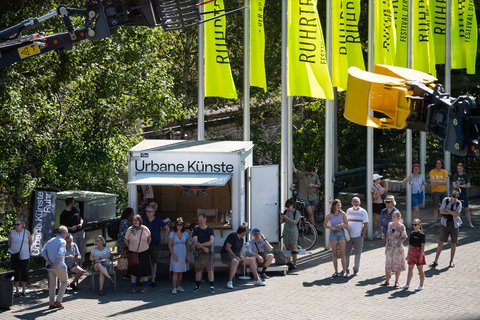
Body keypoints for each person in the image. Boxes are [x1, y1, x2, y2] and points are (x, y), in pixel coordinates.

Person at [430, 189, 462, 269]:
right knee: (440, 242)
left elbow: (457, 214)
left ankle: (451, 261)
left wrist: (447, 210)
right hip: (445, 224)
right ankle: (435, 261)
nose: (455, 193)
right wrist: (451, 212)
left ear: (458, 195)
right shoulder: (446, 200)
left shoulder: (459, 203)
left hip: (454, 225)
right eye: (454, 191)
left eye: (457, 192)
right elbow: (441, 211)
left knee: (453, 244)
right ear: (452, 192)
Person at [41, 225, 69, 310]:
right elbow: (60, 254)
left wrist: (49, 262)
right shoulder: (62, 241)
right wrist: (56, 264)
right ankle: (58, 301)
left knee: (52, 285)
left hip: (50, 266)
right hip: (59, 266)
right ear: (64, 233)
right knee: (65, 282)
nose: (67, 235)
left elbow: (43, 252)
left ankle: (51, 303)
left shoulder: (51, 240)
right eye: (66, 233)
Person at [124, 214, 152, 293]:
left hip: (144, 251)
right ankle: (133, 287)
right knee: (133, 271)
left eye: (137, 220)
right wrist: (130, 246)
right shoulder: (130, 229)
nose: (135, 222)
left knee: (145, 270)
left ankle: (145, 287)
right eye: (133, 220)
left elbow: (149, 238)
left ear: (140, 221)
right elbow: (126, 239)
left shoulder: (145, 229)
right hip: (133, 252)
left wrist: (147, 245)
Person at [143, 205, 167, 287]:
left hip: (155, 243)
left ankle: (153, 279)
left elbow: (166, 228)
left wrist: (162, 237)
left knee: (154, 261)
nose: (147, 213)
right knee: (145, 261)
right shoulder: (144, 220)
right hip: (144, 244)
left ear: (153, 212)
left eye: (149, 211)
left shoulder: (158, 220)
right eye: (146, 211)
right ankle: (145, 278)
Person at [191, 213, 215, 293]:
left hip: (209, 253)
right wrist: (203, 247)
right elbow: (195, 241)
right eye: (198, 220)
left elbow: (211, 241)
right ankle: (197, 286)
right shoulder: (196, 230)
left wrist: (201, 245)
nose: (200, 222)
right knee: (198, 270)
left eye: (201, 220)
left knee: (210, 269)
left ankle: (212, 286)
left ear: (205, 219)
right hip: (199, 253)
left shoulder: (210, 230)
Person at [382, 211, 407, 288]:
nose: (393, 218)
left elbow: (405, 236)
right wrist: (386, 244)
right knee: (388, 264)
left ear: (398, 217)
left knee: (397, 264)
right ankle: (387, 281)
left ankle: (396, 282)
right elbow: (387, 235)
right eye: (392, 216)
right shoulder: (390, 224)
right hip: (389, 247)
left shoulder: (401, 226)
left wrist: (400, 241)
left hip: (397, 248)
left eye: (394, 216)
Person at [8, 218, 32, 297]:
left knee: (24, 272)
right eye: (15, 224)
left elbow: (30, 242)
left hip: (25, 256)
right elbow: (9, 243)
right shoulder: (12, 232)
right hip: (15, 255)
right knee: (15, 272)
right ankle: (17, 290)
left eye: (17, 224)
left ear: (22, 225)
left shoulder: (27, 232)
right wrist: (14, 250)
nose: (16, 226)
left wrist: (25, 250)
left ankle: (24, 290)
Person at [324, 199, 348, 278]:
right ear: (334, 206)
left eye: (340, 205)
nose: (339, 206)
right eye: (337, 205)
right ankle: (336, 271)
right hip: (333, 234)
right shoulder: (330, 215)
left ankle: (344, 271)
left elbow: (347, 224)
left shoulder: (343, 214)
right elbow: (325, 225)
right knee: (334, 253)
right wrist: (331, 227)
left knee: (342, 253)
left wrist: (342, 225)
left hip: (341, 233)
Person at [345, 197, 368, 277]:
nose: (355, 203)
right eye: (354, 201)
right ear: (351, 202)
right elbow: (346, 221)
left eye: (357, 201)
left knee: (358, 253)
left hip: (358, 236)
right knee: (346, 252)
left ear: (360, 202)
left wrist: (362, 233)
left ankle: (356, 269)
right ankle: (346, 268)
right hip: (349, 235)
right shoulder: (348, 210)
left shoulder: (363, 212)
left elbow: (365, 224)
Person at [60, 197, 85, 265]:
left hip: (80, 232)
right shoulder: (63, 214)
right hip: (72, 234)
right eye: (73, 203)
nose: (74, 204)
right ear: (71, 203)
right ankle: (74, 265)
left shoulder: (76, 210)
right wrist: (70, 228)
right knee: (74, 250)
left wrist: (81, 223)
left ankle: (81, 264)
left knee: (82, 249)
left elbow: (81, 218)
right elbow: (61, 226)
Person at [402, 219, 426, 291]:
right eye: (413, 224)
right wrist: (408, 254)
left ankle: (421, 285)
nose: (414, 226)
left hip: (419, 253)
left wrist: (421, 256)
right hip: (412, 252)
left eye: (415, 224)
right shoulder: (411, 233)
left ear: (419, 225)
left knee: (420, 270)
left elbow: (423, 246)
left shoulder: (422, 235)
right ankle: (407, 284)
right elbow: (410, 245)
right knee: (410, 269)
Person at [168, 217, 190, 294]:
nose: (179, 226)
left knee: (181, 271)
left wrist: (187, 255)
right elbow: (170, 245)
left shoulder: (186, 233)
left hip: (183, 254)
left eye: (181, 224)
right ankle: (174, 288)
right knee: (175, 271)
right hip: (175, 253)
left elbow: (187, 245)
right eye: (178, 224)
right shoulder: (172, 233)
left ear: (183, 225)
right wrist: (173, 255)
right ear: (176, 225)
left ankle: (178, 286)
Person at [280, 199, 300, 270]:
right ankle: (289, 263)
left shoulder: (296, 212)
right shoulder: (286, 212)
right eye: (286, 207)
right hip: (286, 231)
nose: (287, 208)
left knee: (293, 248)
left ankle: (294, 264)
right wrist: (281, 218)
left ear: (292, 205)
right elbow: (281, 222)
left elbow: (295, 222)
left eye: (288, 206)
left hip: (293, 231)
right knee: (287, 247)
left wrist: (287, 218)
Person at [452, 162, 474, 228]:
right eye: (458, 168)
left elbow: (468, 185)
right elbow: (454, 185)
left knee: (466, 209)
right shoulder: (455, 175)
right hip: (457, 194)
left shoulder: (465, 175)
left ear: (462, 168)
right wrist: (462, 185)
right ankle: (458, 223)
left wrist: (459, 185)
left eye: (460, 168)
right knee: (458, 209)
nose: (459, 169)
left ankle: (470, 223)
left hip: (464, 194)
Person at [429, 158, 448, 226]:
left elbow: (445, 182)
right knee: (435, 208)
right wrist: (441, 182)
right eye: (437, 163)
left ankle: (445, 222)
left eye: (440, 163)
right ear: (435, 164)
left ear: (441, 164)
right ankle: (435, 223)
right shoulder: (432, 172)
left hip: (443, 191)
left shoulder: (444, 171)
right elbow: (432, 183)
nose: (438, 165)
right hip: (435, 192)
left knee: (445, 208)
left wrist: (436, 182)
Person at [371, 174, 388, 239]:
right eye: (379, 179)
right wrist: (378, 192)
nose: (380, 180)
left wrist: (386, 185)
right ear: (376, 180)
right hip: (376, 204)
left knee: (382, 219)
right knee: (376, 220)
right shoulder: (373, 187)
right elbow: (374, 197)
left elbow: (385, 192)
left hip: (381, 203)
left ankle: (381, 232)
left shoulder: (379, 185)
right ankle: (375, 232)